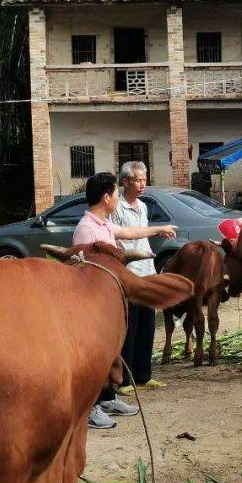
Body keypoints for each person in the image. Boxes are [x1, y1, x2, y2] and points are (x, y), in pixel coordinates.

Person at [73, 172, 177, 430]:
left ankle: (108, 398)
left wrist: (159, 229)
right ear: (106, 197)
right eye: (116, 193)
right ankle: (91, 408)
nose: (118, 198)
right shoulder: (86, 228)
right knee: (95, 357)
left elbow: (129, 232)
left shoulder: (104, 224)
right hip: (94, 303)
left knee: (111, 354)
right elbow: (86, 268)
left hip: (110, 300)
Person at [112, 161, 174, 394]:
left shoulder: (142, 206)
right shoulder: (116, 206)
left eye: (144, 180)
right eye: (137, 180)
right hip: (128, 273)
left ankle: (144, 375)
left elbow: (142, 238)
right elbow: (118, 239)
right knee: (130, 327)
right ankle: (124, 380)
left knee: (147, 326)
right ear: (125, 181)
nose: (142, 184)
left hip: (147, 270)